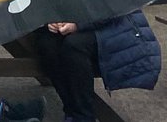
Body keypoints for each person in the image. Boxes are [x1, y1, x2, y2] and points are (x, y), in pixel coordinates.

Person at [33, 15, 161, 122]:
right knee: (47, 45)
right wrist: (48, 22)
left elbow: (113, 8)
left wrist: (78, 25)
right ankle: (72, 110)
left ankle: (83, 116)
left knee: (74, 46)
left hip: (115, 23)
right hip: (70, 20)